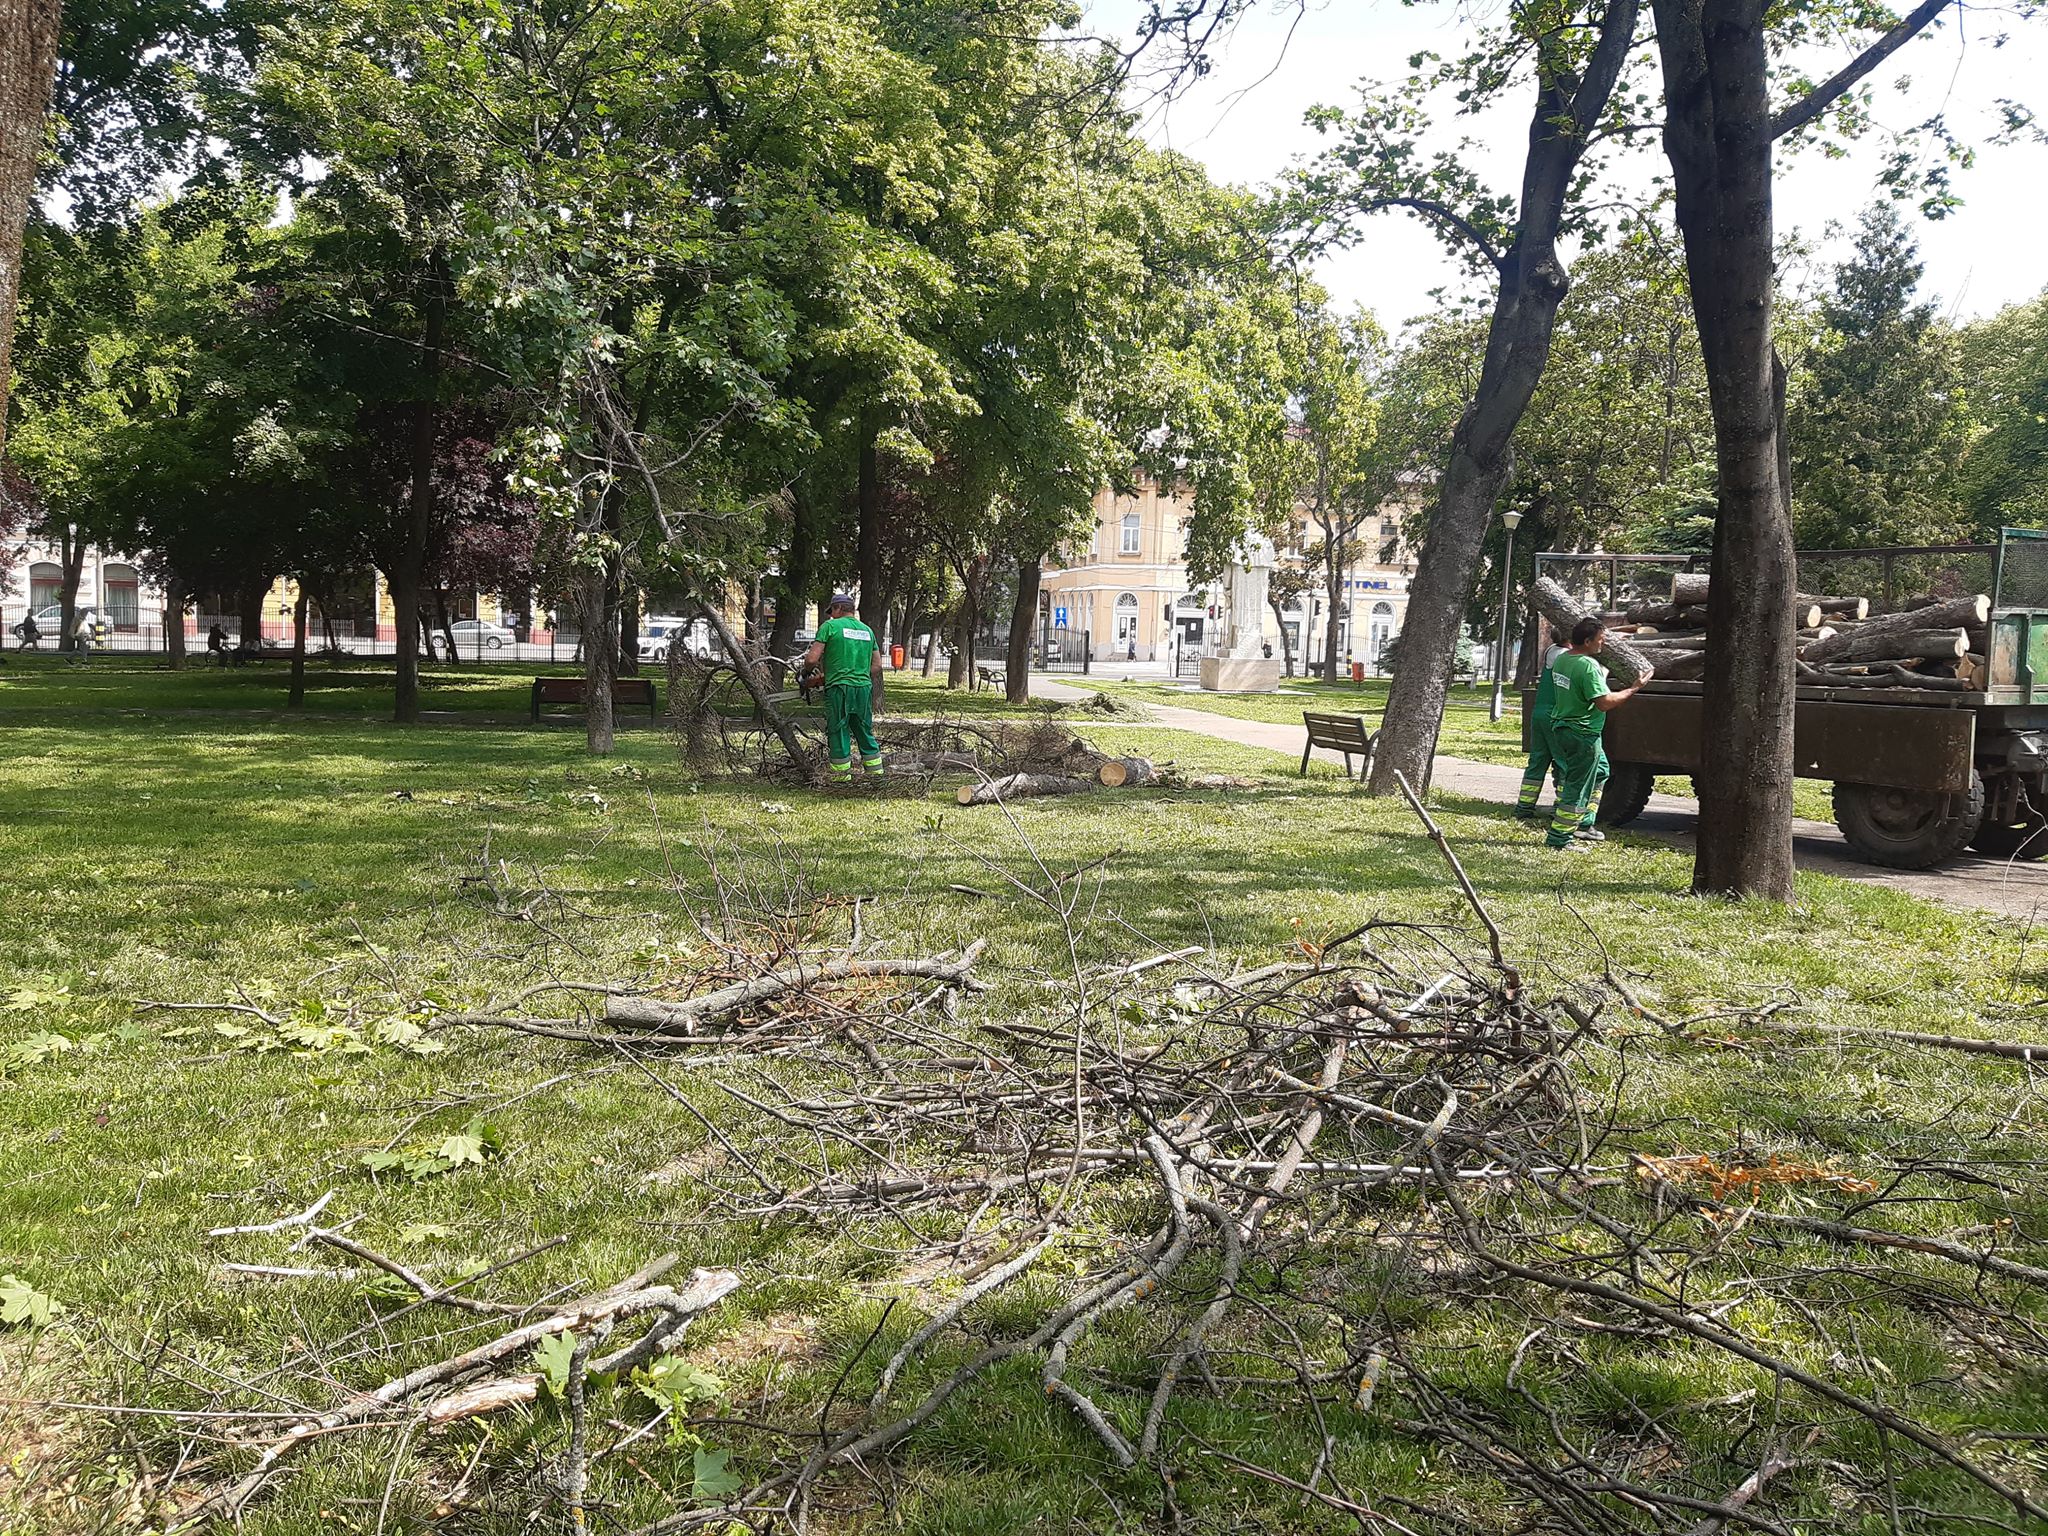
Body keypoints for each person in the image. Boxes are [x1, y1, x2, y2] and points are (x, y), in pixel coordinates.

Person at [1542, 617, 1651, 851]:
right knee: (1577, 786)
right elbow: (1604, 702)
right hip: (1582, 732)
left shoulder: (1563, 660)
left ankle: (1584, 823)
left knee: (1601, 771)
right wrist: (1634, 688)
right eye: (1600, 640)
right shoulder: (1587, 665)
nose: (1602, 644)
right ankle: (1559, 838)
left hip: (1564, 727)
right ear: (1588, 641)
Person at [803, 594, 885, 783]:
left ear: (838, 608)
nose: (831, 615)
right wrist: (858, 673)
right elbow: (877, 665)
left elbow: (811, 660)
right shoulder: (867, 630)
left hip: (839, 688)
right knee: (864, 731)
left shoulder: (830, 627)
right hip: (863, 687)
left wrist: (806, 673)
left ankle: (841, 780)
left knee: (839, 730)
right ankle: (876, 778)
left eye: (832, 611)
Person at [1514, 636, 1570, 822]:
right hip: (1555, 715)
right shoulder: (1567, 658)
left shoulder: (1551, 650)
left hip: (1539, 713)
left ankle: (1524, 807)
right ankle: (1560, 806)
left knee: (1537, 761)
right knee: (1564, 763)